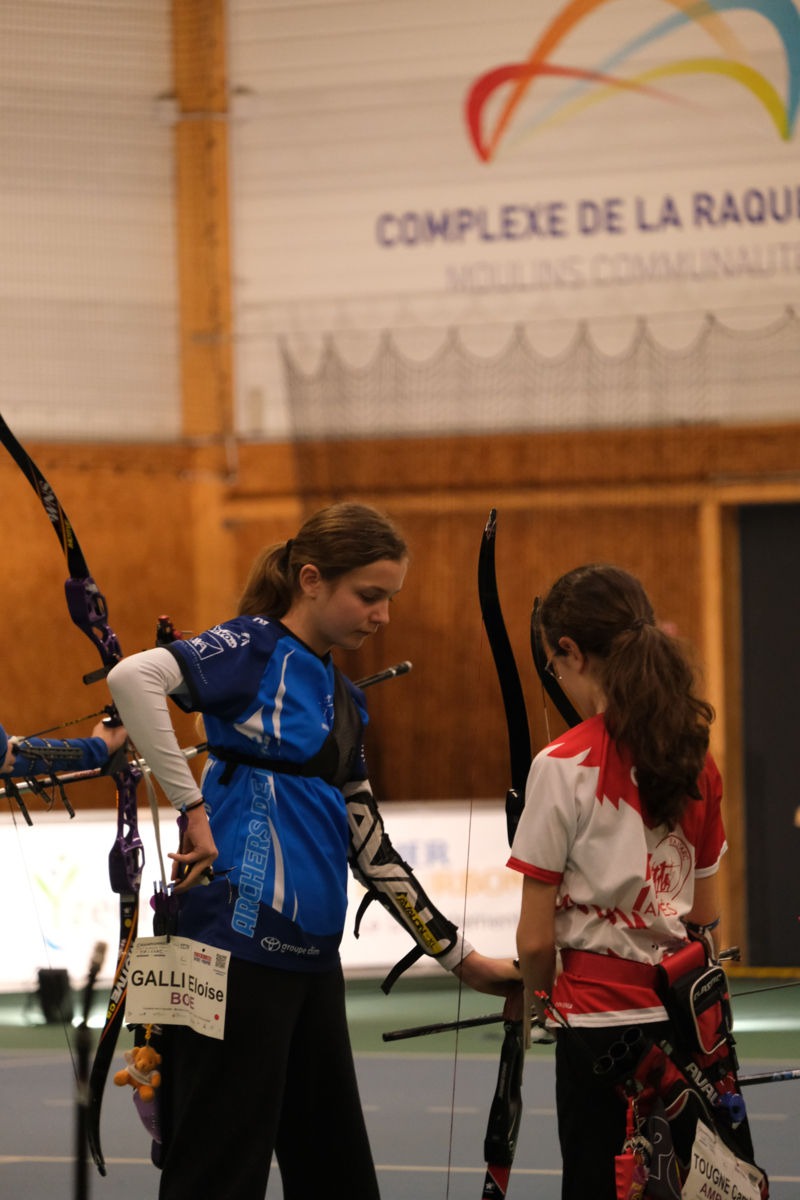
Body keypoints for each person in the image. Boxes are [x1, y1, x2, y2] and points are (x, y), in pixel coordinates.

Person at [107, 502, 520, 1200]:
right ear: (310, 580)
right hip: (234, 948)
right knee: (215, 1177)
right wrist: (192, 807)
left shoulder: (343, 698)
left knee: (337, 1179)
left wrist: (464, 960)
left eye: (390, 599)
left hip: (310, 960)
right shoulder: (253, 646)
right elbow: (132, 679)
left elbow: (370, 844)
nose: (382, 615)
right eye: (369, 595)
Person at [508, 563, 726, 1200]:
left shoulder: (562, 764)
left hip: (597, 1029)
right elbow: (704, 916)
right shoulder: (695, 756)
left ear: (571, 651)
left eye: (555, 667)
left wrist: (537, 1003)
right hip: (686, 1022)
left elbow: (535, 941)